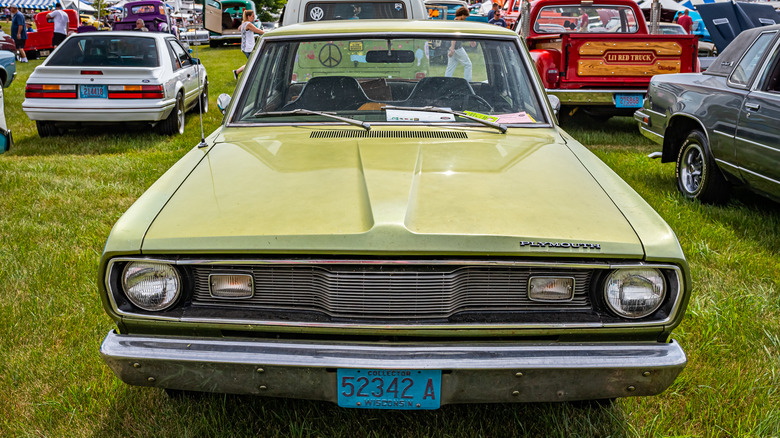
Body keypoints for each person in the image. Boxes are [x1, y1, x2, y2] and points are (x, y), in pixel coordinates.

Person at [232, 9, 265, 79]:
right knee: (254, 62)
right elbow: (258, 31)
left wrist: (243, 22)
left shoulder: (244, 24)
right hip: (249, 48)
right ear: (248, 16)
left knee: (252, 62)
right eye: (252, 16)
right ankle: (252, 77)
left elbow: (238, 28)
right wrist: (268, 34)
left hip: (245, 48)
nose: (254, 17)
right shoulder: (248, 24)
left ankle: (237, 72)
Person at [445, 6, 472, 82]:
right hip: (456, 48)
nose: (465, 19)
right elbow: (454, 36)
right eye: (465, 17)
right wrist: (452, 48)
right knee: (468, 64)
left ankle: (446, 82)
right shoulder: (457, 23)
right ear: (463, 15)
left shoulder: (454, 21)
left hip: (451, 48)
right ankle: (468, 81)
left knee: (450, 67)